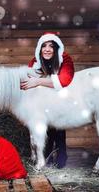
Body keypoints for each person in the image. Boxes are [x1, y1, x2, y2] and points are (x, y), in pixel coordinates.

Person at [20, 32, 75, 168]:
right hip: (42, 99)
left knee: (58, 126)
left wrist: (38, 81)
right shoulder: (35, 61)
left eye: (51, 46)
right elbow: (26, 82)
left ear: (56, 48)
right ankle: (49, 154)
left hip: (62, 97)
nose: (47, 49)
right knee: (46, 127)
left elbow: (64, 80)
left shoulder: (65, 59)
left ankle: (61, 154)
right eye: (44, 46)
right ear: (40, 48)